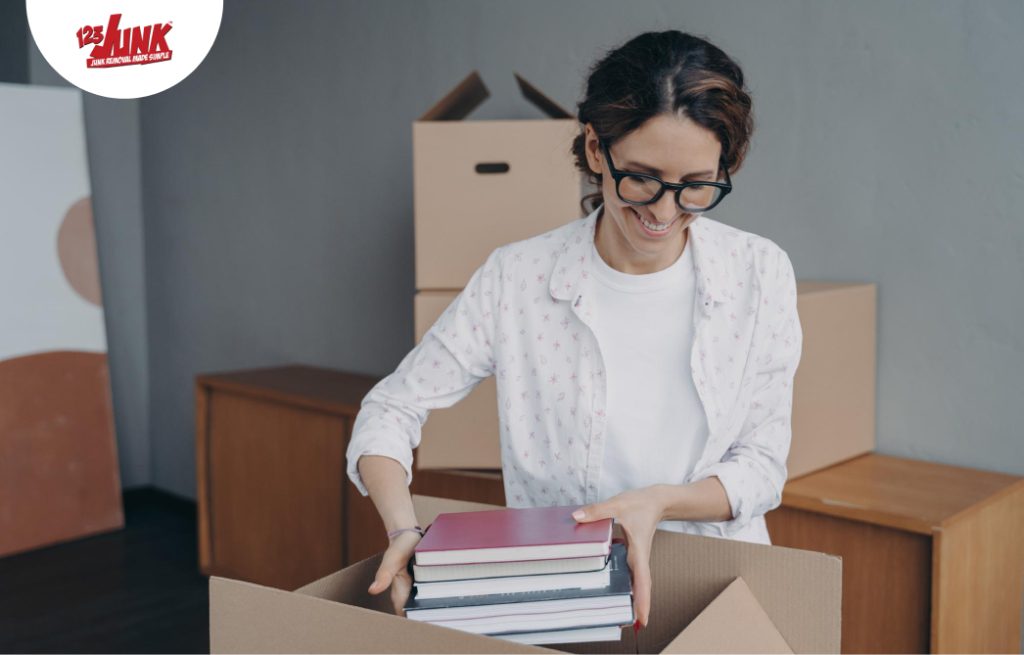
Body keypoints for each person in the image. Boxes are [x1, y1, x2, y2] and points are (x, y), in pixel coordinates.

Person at [345, 29, 802, 631]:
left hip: (713, 578)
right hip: (560, 587)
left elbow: (763, 465)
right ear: (594, 150)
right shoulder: (519, 277)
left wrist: (658, 502)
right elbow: (391, 408)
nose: (663, 212)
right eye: (640, 178)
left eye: (695, 186)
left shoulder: (758, 271)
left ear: (725, 167)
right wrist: (404, 528)